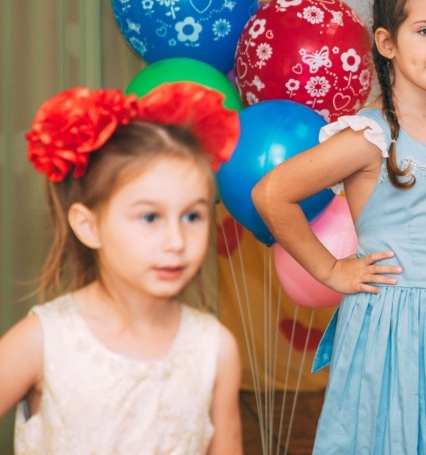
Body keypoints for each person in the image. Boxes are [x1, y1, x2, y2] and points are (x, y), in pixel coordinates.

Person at [252, 0, 426, 454]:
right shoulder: (369, 136)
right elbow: (271, 194)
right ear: (387, 43)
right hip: (390, 324)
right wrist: (331, 270)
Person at [0, 83, 244, 454]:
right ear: (89, 226)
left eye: (192, 216)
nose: (176, 241)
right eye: (150, 217)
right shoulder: (43, 340)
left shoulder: (215, 349)